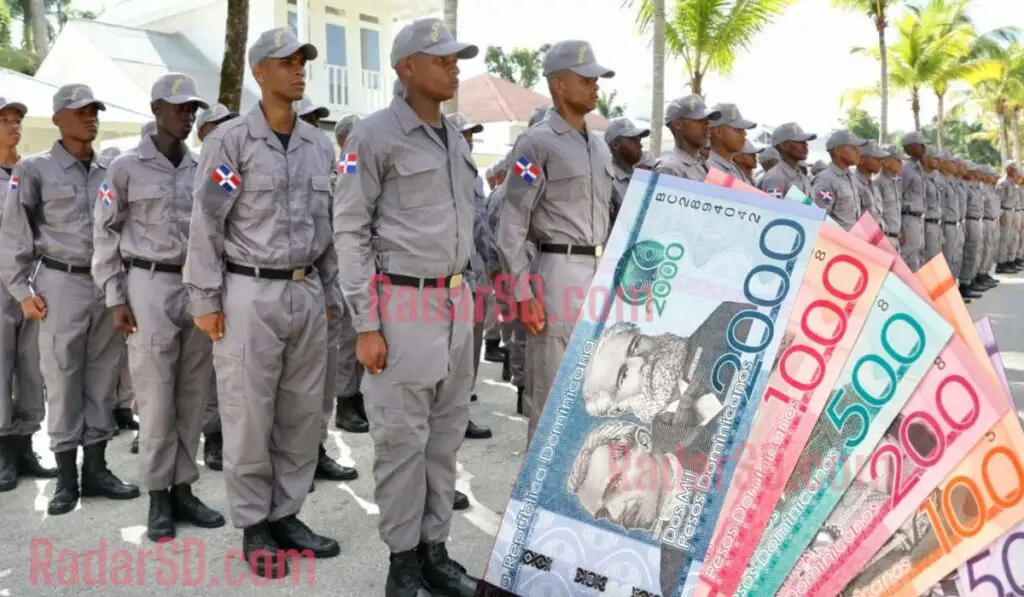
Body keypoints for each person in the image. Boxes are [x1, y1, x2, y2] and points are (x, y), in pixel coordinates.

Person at [184, 27, 341, 577]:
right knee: (249, 412)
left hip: (305, 289)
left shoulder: (320, 144)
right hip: (249, 288)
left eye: (302, 61)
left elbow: (331, 224)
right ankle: (254, 522)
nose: (299, 69)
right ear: (259, 72)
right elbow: (206, 222)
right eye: (287, 61)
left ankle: (288, 514)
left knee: (302, 411)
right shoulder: (229, 142)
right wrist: (205, 296)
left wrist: (331, 291)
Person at [333, 18, 481, 597]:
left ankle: (435, 551)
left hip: (455, 303)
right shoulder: (372, 136)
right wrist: (366, 324)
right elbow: (349, 232)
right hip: (401, 303)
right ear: (406, 69)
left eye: (455, 58)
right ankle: (403, 565)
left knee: (444, 438)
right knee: (401, 442)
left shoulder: (451, 138)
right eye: (441, 58)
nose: (454, 66)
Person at [91, 73, 226, 542]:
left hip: (195, 286)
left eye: (192, 108)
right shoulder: (125, 167)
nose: (187, 114)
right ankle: (158, 496)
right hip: (147, 283)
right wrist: (115, 296)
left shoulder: (202, 168)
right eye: (178, 107)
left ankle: (185, 487)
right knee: (154, 396)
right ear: (156, 110)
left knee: (192, 393)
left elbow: (218, 229)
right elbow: (104, 233)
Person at [0, 84, 140, 514]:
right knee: (62, 380)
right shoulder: (35, 169)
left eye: (94, 111)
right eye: (80, 112)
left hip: (106, 286)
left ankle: (96, 469)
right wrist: (22, 292)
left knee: (102, 377)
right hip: (59, 283)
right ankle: (67, 479)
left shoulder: (109, 171)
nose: (90, 118)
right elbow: (13, 235)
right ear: (58, 118)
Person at [496, 39, 615, 443]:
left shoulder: (598, 146)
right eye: (586, 79)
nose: (595, 86)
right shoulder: (536, 142)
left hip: (599, 273)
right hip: (557, 270)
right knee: (551, 396)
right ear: (559, 85)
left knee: (593, 393)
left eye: (596, 79)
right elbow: (512, 222)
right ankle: (533, 502)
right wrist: (523, 293)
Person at [293, 96, 360, 486]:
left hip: (327, 283)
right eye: (307, 120)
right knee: (289, 387)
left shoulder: (330, 168)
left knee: (322, 381)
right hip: (287, 286)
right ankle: (288, 460)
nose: (312, 128)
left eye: (317, 121)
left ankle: (315, 451)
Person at [0, 97, 54, 492]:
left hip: (31, 283)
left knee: (32, 368)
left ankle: (26, 444)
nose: (13, 126)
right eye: (4, 120)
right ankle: (4, 450)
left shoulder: (31, 170)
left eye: (16, 120)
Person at [195, 107, 238, 472]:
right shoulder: (190, 171)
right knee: (210, 370)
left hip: (238, 281)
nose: (224, 133)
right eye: (215, 129)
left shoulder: (230, 168)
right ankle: (214, 437)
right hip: (196, 282)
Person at [447, 111, 494, 444]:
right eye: (463, 134)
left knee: (470, 350)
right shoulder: (442, 172)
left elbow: (481, 227)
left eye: (471, 134)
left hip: (474, 275)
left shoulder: (475, 178)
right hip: (447, 277)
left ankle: (462, 411)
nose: (469, 139)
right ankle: (450, 416)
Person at [331, 113, 370, 435]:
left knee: (360, 334)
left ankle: (356, 396)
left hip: (363, 265)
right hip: (338, 268)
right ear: (342, 140)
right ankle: (344, 403)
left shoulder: (360, 169)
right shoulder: (342, 169)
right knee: (346, 339)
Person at [653, 95, 720, 181]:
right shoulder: (669, 170)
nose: (707, 125)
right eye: (700, 120)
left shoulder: (705, 165)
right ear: (678, 124)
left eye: (707, 120)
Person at [810, 130, 866, 230]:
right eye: (853, 147)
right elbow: (818, 220)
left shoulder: (850, 177)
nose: (858, 151)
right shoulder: (826, 180)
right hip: (837, 243)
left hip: (852, 241)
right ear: (838, 151)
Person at [604, 116, 650, 221]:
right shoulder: (607, 182)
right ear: (616, 145)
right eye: (633, 140)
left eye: (639, 140)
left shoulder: (642, 176)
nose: (640, 145)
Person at [757, 122, 816, 197]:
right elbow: (773, 208)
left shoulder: (801, 175)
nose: (806, 145)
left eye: (805, 141)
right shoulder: (775, 178)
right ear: (784, 146)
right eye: (800, 142)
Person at [706, 103, 756, 184]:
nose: (744, 134)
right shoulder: (708, 171)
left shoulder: (735, 169)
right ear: (718, 132)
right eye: (737, 129)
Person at [899, 132, 927, 270]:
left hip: (918, 218)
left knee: (918, 257)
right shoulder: (905, 169)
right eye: (920, 145)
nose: (924, 147)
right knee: (907, 258)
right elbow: (898, 196)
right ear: (910, 148)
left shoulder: (918, 168)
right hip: (908, 218)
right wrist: (901, 228)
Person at [960, 162, 988, 294]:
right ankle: (965, 283)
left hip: (978, 220)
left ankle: (971, 279)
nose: (978, 174)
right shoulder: (964, 187)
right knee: (969, 253)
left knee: (976, 252)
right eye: (974, 171)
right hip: (969, 221)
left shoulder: (976, 188)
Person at [853, 140, 888, 231]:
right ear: (861, 159)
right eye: (876, 158)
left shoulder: (873, 185)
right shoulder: (854, 184)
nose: (881, 162)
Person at [876, 143, 905, 252]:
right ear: (887, 162)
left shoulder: (893, 182)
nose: (901, 164)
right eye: (898, 160)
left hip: (895, 239)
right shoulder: (878, 183)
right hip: (884, 239)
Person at [997, 162, 1020, 273]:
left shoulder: (1012, 184)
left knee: (1010, 238)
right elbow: (999, 201)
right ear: (1008, 170)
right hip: (1005, 212)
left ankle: (1007, 261)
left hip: (1012, 212)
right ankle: (1001, 264)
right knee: (1004, 239)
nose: (1016, 172)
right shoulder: (1003, 183)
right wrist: (1001, 215)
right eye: (1014, 170)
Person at [923, 146, 944, 262]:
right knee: (928, 259)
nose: (939, 161)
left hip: (937, 223)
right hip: (926, 223)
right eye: (935, 158)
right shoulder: (920, 177)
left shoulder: (935, 178)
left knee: (936, 257)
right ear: (926, 158)